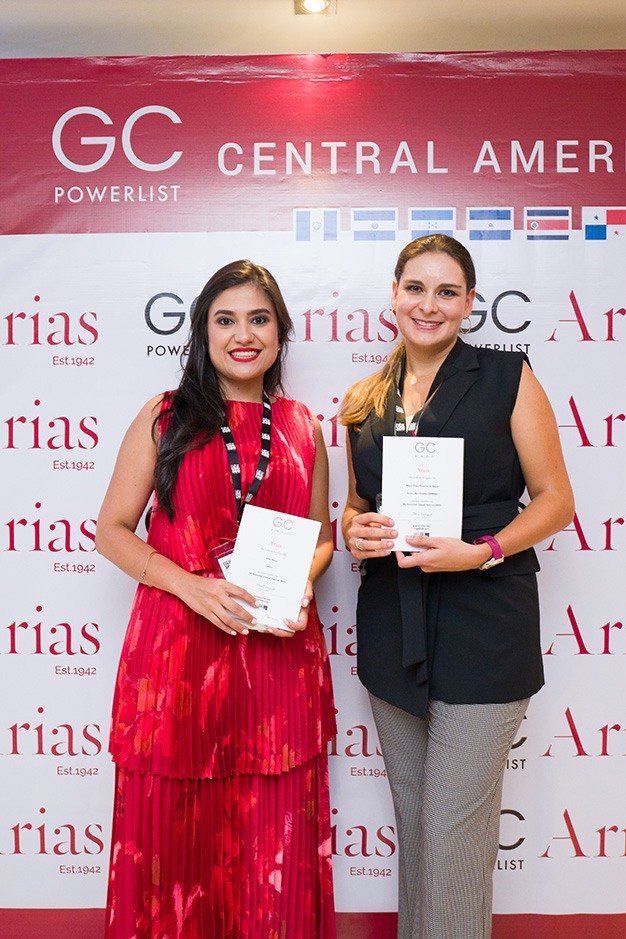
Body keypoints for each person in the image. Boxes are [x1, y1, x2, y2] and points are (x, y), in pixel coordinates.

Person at [340, 234, 574, 939]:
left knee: (452, 831)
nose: (429, 304)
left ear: (470, 303)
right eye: (416, 288)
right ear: (394, 294)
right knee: (418, 825)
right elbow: (355, 505)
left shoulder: (507, 375)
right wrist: (354, 530)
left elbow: (555, 500)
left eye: (447, 292)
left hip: (485, 625)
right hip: (393, 625)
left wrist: (482, 552)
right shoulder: (364, 398)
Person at [96, 260, 336, 939]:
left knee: (273, 852)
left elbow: (320, 537)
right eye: (225, 320)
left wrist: (304, 580)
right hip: (176, 659)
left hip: (275, 661)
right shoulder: (164, 416)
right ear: (203, 332)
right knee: (171, 845)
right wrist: (190, 585)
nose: (243, 335)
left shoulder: (303, 426)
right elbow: (112, 531)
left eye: (259, 319)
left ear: (280, 333)